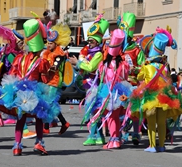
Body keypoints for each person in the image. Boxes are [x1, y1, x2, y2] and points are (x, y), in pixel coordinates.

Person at [0, 19, 60, 155]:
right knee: (39, 117)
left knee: (21, 119)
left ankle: (17, 146)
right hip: (34, 93)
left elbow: (12, 74)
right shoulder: (41, 61)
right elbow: (44, 78)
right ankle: (38, 143)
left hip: (19, 91)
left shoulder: (19, 59)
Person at [128, 26, 182, 153]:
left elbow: (139, 77)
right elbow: (167, 79)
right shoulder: (164, 67)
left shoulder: (147, 67)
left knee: (151, 123)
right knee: (161, 122)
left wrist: (140, 69)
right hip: (164, 98)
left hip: (150, 97)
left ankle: (151, 145)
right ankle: (161, 146)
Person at [87, 29, 132, 149]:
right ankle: (116, 138)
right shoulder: (123, 64)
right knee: (115, 117)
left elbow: (102, 78)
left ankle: (113, 140)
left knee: (111, 117)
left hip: (109, 93)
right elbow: (126, 77)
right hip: (121, 92)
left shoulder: (104, 64)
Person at [69, 14, 109, 146]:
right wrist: (76, 64)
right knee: (94, 111)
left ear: (97, 42)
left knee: (92, 111)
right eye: (89, 41)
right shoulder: (90, 53)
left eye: (91, 41)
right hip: (90, 85)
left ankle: (92, 136)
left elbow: (91, 67)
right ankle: (100, 136)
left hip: (95, 85)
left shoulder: (98, 54)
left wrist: (79, 63)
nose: (89, 44)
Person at [118, 12, 145, 145]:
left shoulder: (136, 50)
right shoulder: (117, 49)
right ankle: (123, 133)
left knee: (134, 110)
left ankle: (136, 133)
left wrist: (135, 69)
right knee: (121, 109)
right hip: (120, 84)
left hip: (133, 84)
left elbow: (143, 67)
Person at [42, 22, 71, 135]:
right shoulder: (49, 52)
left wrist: (46, 68)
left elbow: (55, 66)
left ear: (56, 43)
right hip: (48, 81)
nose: (48, 45)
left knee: (48, 103)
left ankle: (46, 127)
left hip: (54, 82)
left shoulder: (59, 54)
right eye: (48, 43)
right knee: (50, 103)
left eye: (51, 43)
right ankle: (64, 123)